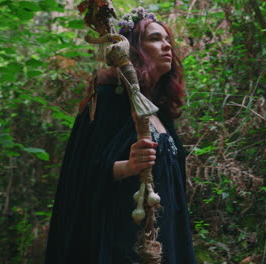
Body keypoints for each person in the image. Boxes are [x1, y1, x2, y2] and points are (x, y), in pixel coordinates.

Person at [45, 7, 197, 264]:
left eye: (168, 39)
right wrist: (127, 167)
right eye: (155, 38)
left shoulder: (160, 113)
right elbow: (80, 174)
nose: (167, 45)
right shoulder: (109, 99)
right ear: (134, 50)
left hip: (162, 239)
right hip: (120, 241)